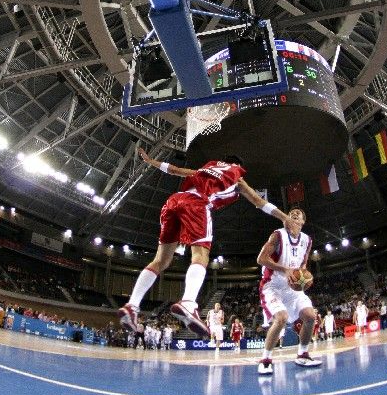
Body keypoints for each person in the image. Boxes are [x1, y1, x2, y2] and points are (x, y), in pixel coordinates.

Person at [118, 149, 292, 337]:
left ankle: (132, 306)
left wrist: (151, 161)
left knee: (160, 261)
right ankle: (188, 302)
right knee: (201, 256)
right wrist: (284, 218)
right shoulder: (237, 177)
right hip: (196, 204)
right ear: (239, 166)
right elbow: (258, 201)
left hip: (173, 201)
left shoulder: (206, 168)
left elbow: (175, 170)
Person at [257, 207, 322, 375]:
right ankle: (266, 360)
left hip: (292, 287)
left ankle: (303, 354)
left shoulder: (307, 240)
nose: (294, 214)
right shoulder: (277, 235)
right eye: (291, 213)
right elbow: (261, 259)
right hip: (272, 286)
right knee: (281, 318)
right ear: (287, 218)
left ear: (302, 222)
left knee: (310, 316)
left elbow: (303, 265)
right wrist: (285, 270)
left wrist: (304, 279)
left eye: (298, 214)